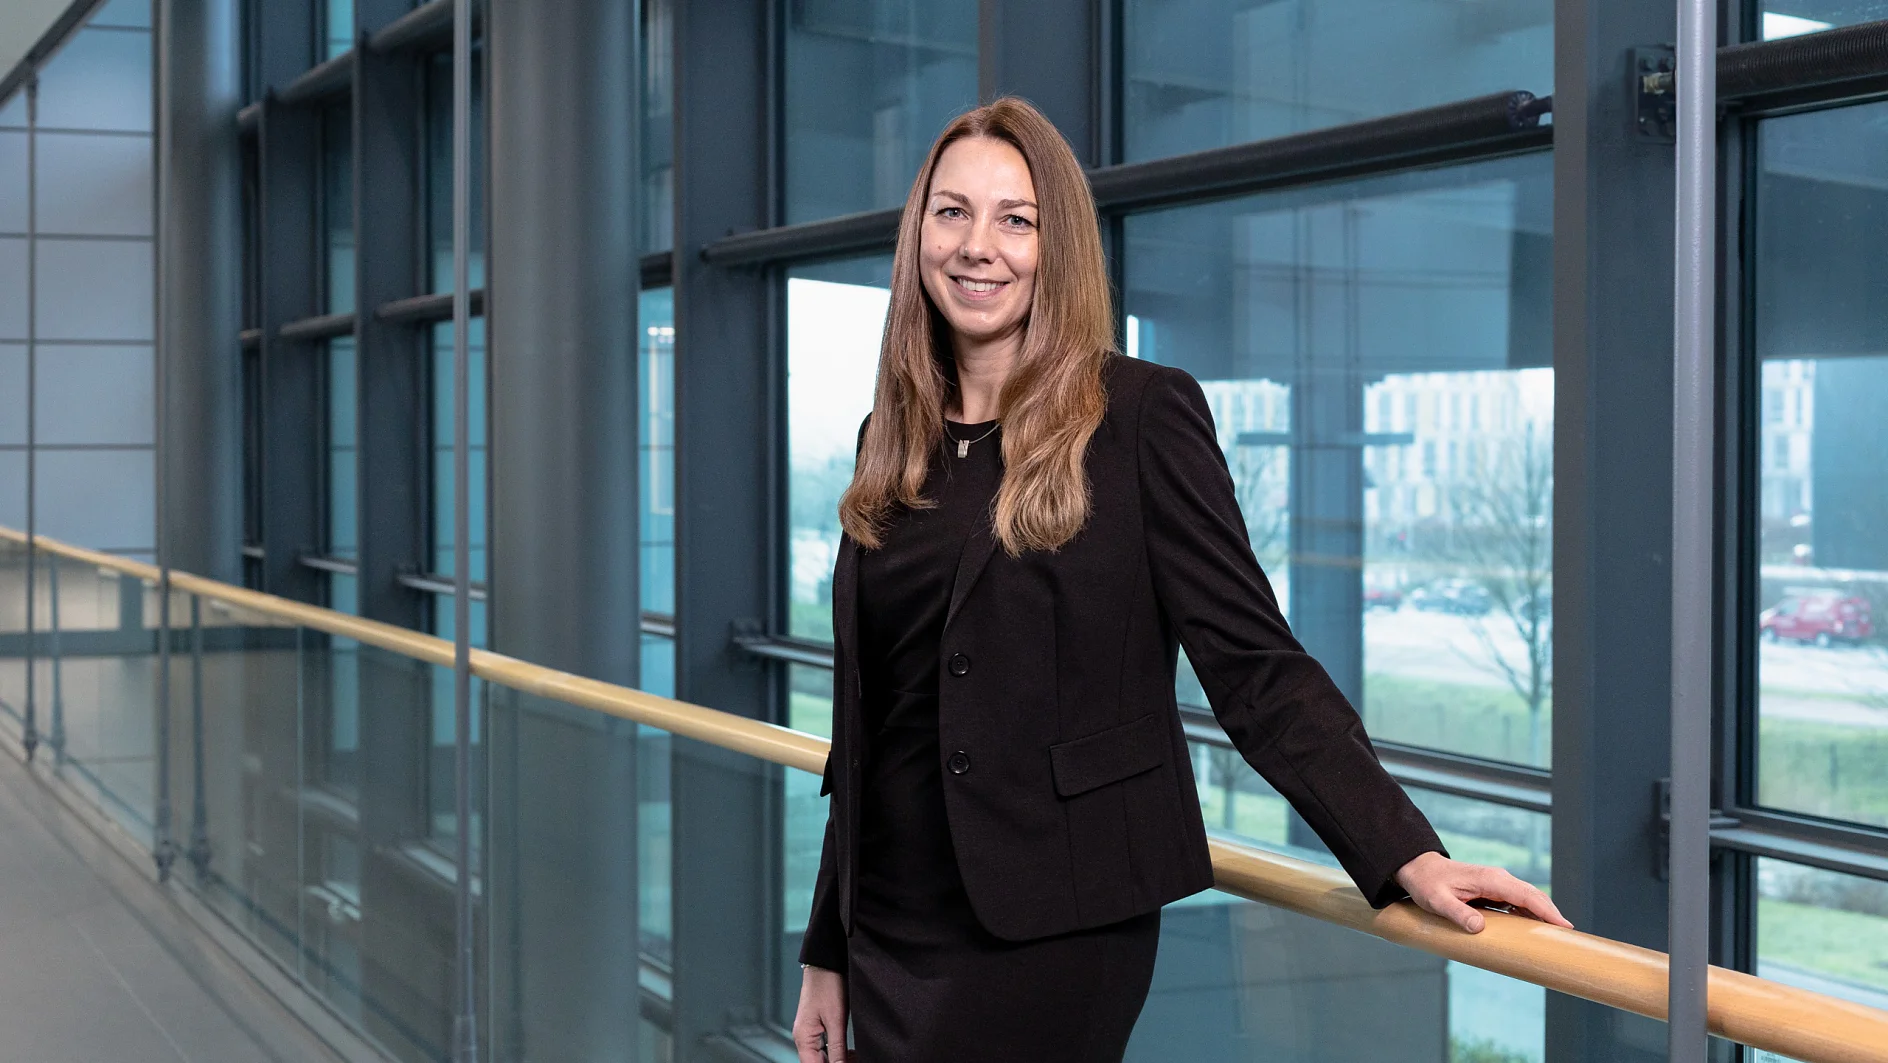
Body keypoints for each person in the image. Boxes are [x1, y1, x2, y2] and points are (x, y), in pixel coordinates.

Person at [791, 97, 1569, 1063]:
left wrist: (1403, 849)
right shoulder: (891, 437)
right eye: (952, 213)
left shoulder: (1140, 417)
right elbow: (872, 721)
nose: (977, 246)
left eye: (1015, 218)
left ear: (1058, 244)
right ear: (918, 237)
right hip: (891, 919)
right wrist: (828, 945)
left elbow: (1253, 662)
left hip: (1054, 920)